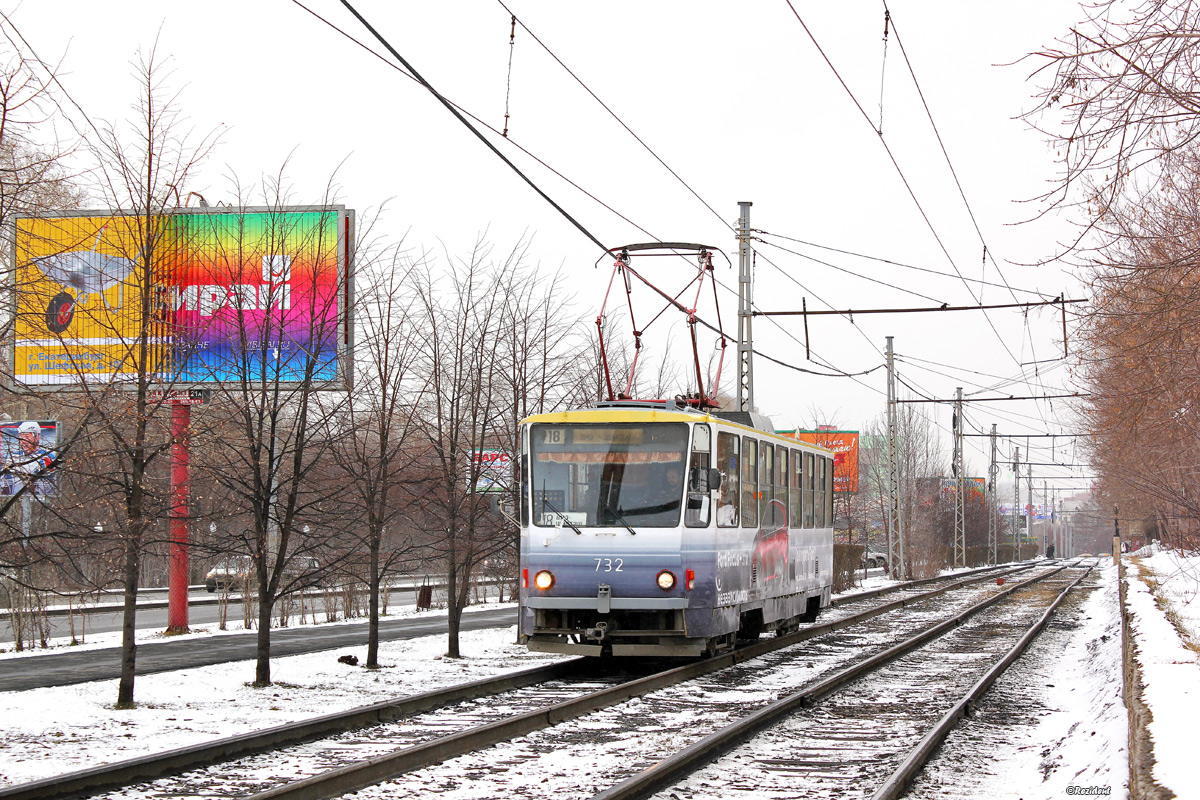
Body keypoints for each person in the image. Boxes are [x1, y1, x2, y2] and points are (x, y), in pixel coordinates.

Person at [3, 421, 54, 496]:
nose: (24, 442)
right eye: (21, 438)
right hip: (14, 500)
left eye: (27, 437)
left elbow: (50, 487)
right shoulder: (13, 457)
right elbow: (5, 484)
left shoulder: (47, 457)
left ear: (37, 437)